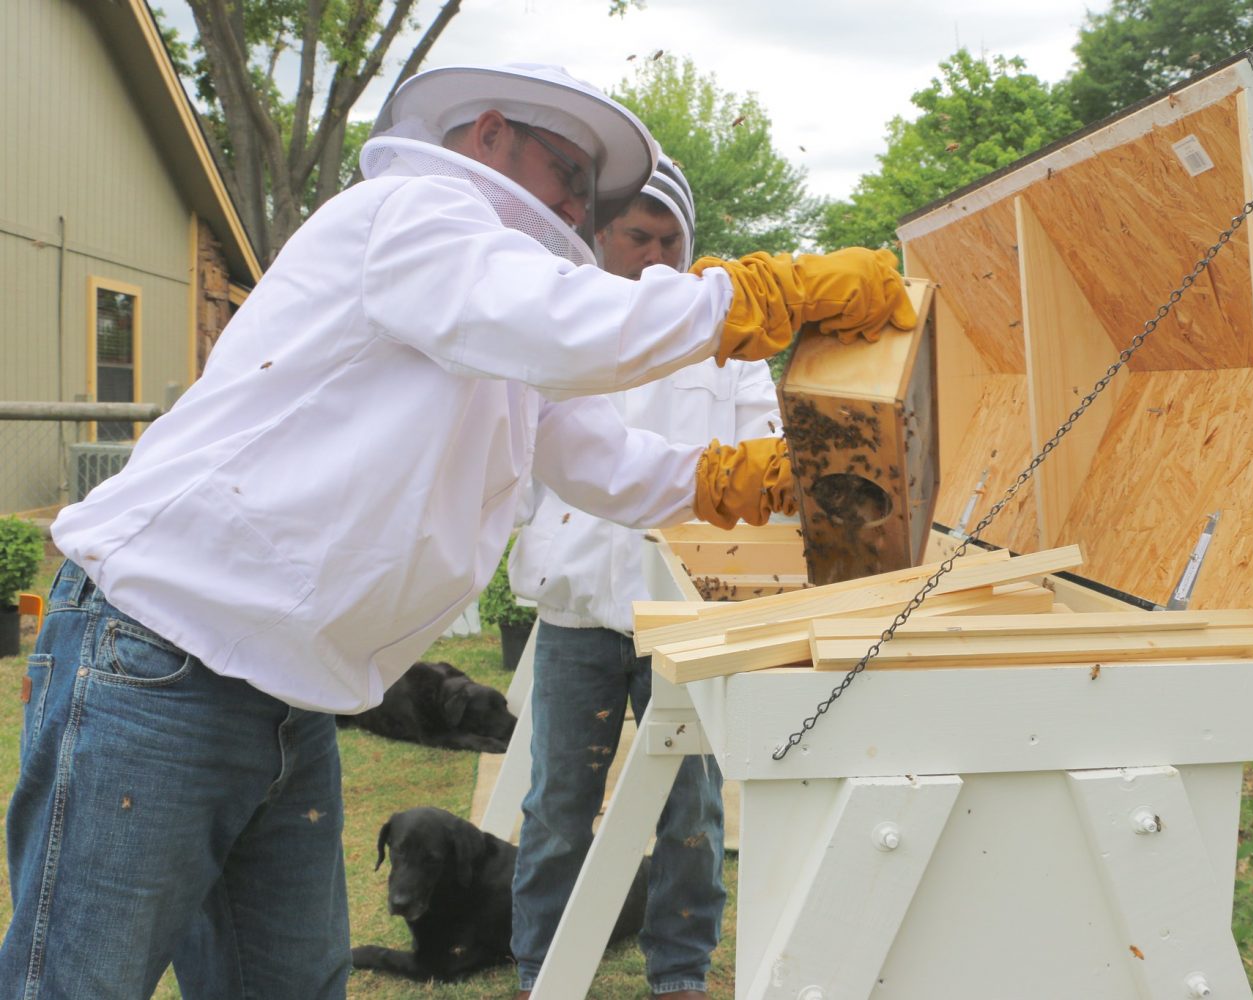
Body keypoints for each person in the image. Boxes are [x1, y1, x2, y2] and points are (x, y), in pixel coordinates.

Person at [0, 62, 915, 1000]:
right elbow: (573, 325)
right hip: (159, 660)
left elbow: (603, 460)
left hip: (284, 696)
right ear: (488, 134)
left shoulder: (489, 308)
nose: (578, 206)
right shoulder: (413, 216)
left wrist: (750, 479)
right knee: (74, 983)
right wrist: (772, 291)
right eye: (569, 172)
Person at [508, 155, 774, 1000]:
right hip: (578, 610)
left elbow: (767, 449)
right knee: (559, 804)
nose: (656, 257)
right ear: (599, 237)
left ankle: (681, 973)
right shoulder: (560, 329)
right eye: (637, 237)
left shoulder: (729, 349)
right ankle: (543, 969)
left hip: (685, 613)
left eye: (671, 241)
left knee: (691, 809)